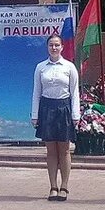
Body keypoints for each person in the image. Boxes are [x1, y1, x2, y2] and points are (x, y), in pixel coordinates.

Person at [31, 35, 80, 201]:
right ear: (47, 47)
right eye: (51, 45)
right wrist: (35, 114)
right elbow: (36, 92)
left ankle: (64, 186)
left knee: (64, 149)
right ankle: (53, 186)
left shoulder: (69, 67)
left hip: (64, 108)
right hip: (46, 109)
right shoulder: (40, 67)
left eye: (56, 45)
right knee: (51, 150)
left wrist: (75, 115)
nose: (54, 48)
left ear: (62, 47)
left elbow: (75, 92)